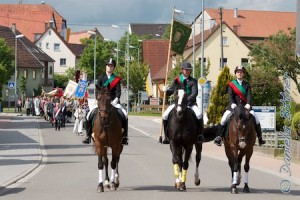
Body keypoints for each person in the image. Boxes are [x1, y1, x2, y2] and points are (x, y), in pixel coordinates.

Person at [214, 66, 266, 146]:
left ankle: (260, 138)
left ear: (243, 74)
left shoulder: (247, 84)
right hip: (234, 106)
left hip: (245, 107)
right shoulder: (231, 84)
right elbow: (230, 96)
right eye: (238, 72)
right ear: (235, 73)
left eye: (241, 72)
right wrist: (232, 103)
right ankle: (219, 137)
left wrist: (249, 103)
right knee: (224, 119)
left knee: (256, 118)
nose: (239, 73)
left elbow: (249, 95)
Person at [82, 58, 128, 145]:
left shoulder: (117, 79)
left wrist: (115, 100)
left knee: (124, 114)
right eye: (108, 65)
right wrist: (98, 100)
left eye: (111, 66)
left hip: (113, 101)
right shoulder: (101, 77)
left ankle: (124, 136)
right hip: (102, 102)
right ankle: (88, 135)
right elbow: (97, 90)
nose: (109, 67)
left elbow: (118, 91)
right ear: (105, 67)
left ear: (114, 67)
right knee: (89, 115)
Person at [161, 61, 204, 144]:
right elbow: (171, 91)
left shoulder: (193, 81)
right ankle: (166, 136)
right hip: (177, 104)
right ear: (182, 70)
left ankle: (200, 135)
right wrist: (165, 90)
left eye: (189, 70)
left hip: (190, 104)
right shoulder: (177, 80)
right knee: (165, 115)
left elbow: (194, 93)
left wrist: (185, 101)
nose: (187, 71)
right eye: (186, 70)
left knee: (199, 115)